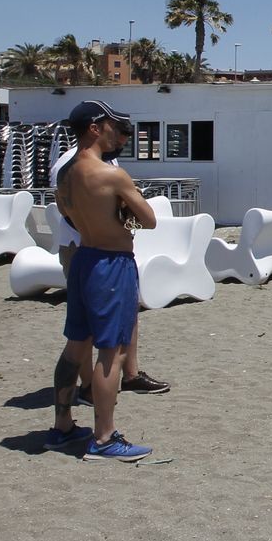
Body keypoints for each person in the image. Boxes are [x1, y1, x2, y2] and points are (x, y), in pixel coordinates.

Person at [46, 100, 157, 462]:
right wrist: (126, 207)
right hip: (112, 263)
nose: (117, 132)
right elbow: (148, 219)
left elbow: (68, 213)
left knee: (75, 345)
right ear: (94, 127)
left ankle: (62, 426)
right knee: (112, 351)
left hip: (83, 258)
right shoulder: (111, 174)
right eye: (111, 125)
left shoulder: (67, 173)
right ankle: (104, 436)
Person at [49, 142, 169, 401]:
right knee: (87, 331)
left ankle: (130, 375)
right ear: (95, 129)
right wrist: (111, 221)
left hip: (109, 252)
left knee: (126, 314)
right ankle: (89, 386)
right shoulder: (69, 165)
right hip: (86, 247)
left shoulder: (107, 162)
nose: (124, 137)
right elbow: (67, 208)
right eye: (117, 129)